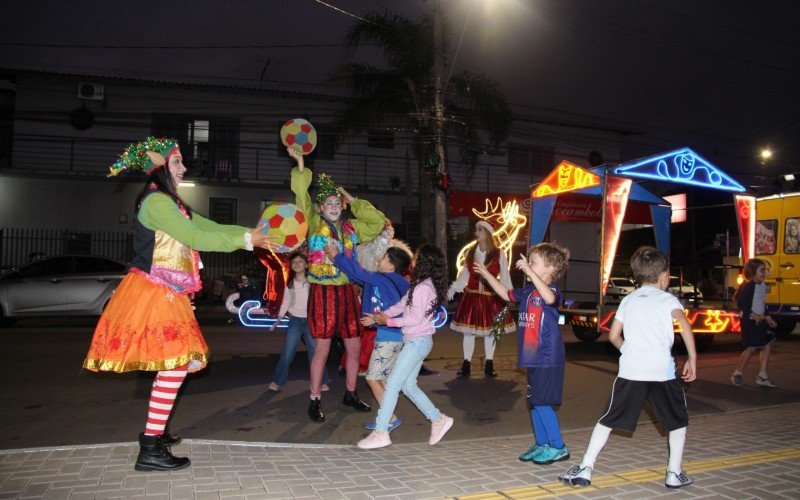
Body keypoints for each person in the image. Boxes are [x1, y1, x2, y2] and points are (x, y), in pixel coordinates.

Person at [83, 137, 277, 472]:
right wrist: (248, 240)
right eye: (177, 161)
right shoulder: (156, 203)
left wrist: (253, 233)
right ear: (159, 166)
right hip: (155, 292)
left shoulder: (173, 203)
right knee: (176, 366)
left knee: (172, 367)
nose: (184, 167)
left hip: (168, 293)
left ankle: (155, 436)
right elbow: (195, 238)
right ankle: (150, 446)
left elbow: (210, 227)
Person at [559, 246, 697, 489]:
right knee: (678, 420)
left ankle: (586, 467)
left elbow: (613, 335)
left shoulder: (628, 300)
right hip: (661, 373)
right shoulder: (668, 299)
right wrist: (692, 359)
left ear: (637, 275)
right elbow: (684, 324)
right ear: (664, 276)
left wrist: (629, 351)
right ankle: (674, 473)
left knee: (608, 418)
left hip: (631, 371)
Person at [288, 147, 386, 422]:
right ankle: (314, 398)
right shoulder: (311, 223)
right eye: (328, 203)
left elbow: (376, 221)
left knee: (354, 347)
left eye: (336, 203)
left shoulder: (352, 228)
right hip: (321, 293)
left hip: (347, 292)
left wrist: (352, 199)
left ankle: (351, 393)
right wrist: (299, 164)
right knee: (322, 349)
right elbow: (301, 197)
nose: (333, 206)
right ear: (320, 208)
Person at [475, 242, 571, 465]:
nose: (527, 265)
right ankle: (542, 443)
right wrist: (488, 276)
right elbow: (506, 295)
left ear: (548, 269)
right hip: (533, 358)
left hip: (548, 357)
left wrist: (528, 271)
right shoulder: (527, 291)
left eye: (533, 262)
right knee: (535, 402)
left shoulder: (554, 291)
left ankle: (558, 446)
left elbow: (548, 299)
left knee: (543, 402)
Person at [356, 244, 453, 449]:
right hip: (418, 341)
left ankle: (381, 432)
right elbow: (401, 305)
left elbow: (414, 317)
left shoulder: (422, 287)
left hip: (417, 342)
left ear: (425, 262)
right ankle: (439, 420)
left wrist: (387, 322)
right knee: (408, 386)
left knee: (392, 384)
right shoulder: (422, 285)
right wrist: (379, 317)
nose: (414, 260)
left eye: (417, 257)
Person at [324, 239, 412, 432]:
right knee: (384, 380)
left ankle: (390, 419)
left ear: (390, 265)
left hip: (387, 337)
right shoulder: (402, 283)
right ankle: (386, 417)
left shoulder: (381, 278)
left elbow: (359, 273)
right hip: (397, 336)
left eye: (383, 257)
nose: (378, 260)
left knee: (372, 378)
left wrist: (336, 256)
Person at [448, 220, 515, 378]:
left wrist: (509, 294)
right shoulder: (471, 253)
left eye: (479, 230)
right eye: (476, 229)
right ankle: (466, 364)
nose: (476, 233)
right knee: (468, 333)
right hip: (471, 298)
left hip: (490, 298)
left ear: (487, 233)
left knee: (490, 333)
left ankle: (489, 364)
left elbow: (505, 275)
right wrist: (455, 287)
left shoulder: (499, 253)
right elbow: (464, 274)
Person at [267, 250, 329, 392]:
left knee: (315, 351)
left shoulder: (313, 282)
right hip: (294, 321)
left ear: (307, 264)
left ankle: (321, 381)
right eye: (294, 262)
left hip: (310, 321)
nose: (297, 264)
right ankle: (277, 381)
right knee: (288, 351)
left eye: (300, 261)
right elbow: (286, 302)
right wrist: (278, 320)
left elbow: (320, 301)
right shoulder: (290, 284)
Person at [731, 258, 778, 388]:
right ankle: (737, 373)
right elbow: (742, 305)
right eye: (761, 270)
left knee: (767, 344)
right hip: (750, 321)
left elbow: (762, 304)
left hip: (760, 320)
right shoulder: (748, 286)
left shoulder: (762, 285)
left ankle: (762, 376)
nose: (764, 273)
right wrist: (753, 315)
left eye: (765, 270)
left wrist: (767, 316)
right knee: (751, 348)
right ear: (752, 272)